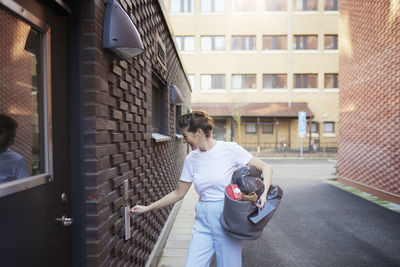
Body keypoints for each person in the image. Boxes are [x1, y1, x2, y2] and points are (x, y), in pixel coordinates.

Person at [130, 110, 273, 267]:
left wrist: (263, 193)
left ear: (199, 133)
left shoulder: (229, 149)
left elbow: (266, 168)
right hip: (203, 217)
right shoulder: (192, 159)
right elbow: (179, 193)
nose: (184, 140)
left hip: (226, 215)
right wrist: (147, 208)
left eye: (185, 136)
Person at [0, 114, 29, 182]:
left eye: (13, 137)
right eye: (8, 137)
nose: (12, 142)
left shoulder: (17, 160)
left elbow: (25, 188)